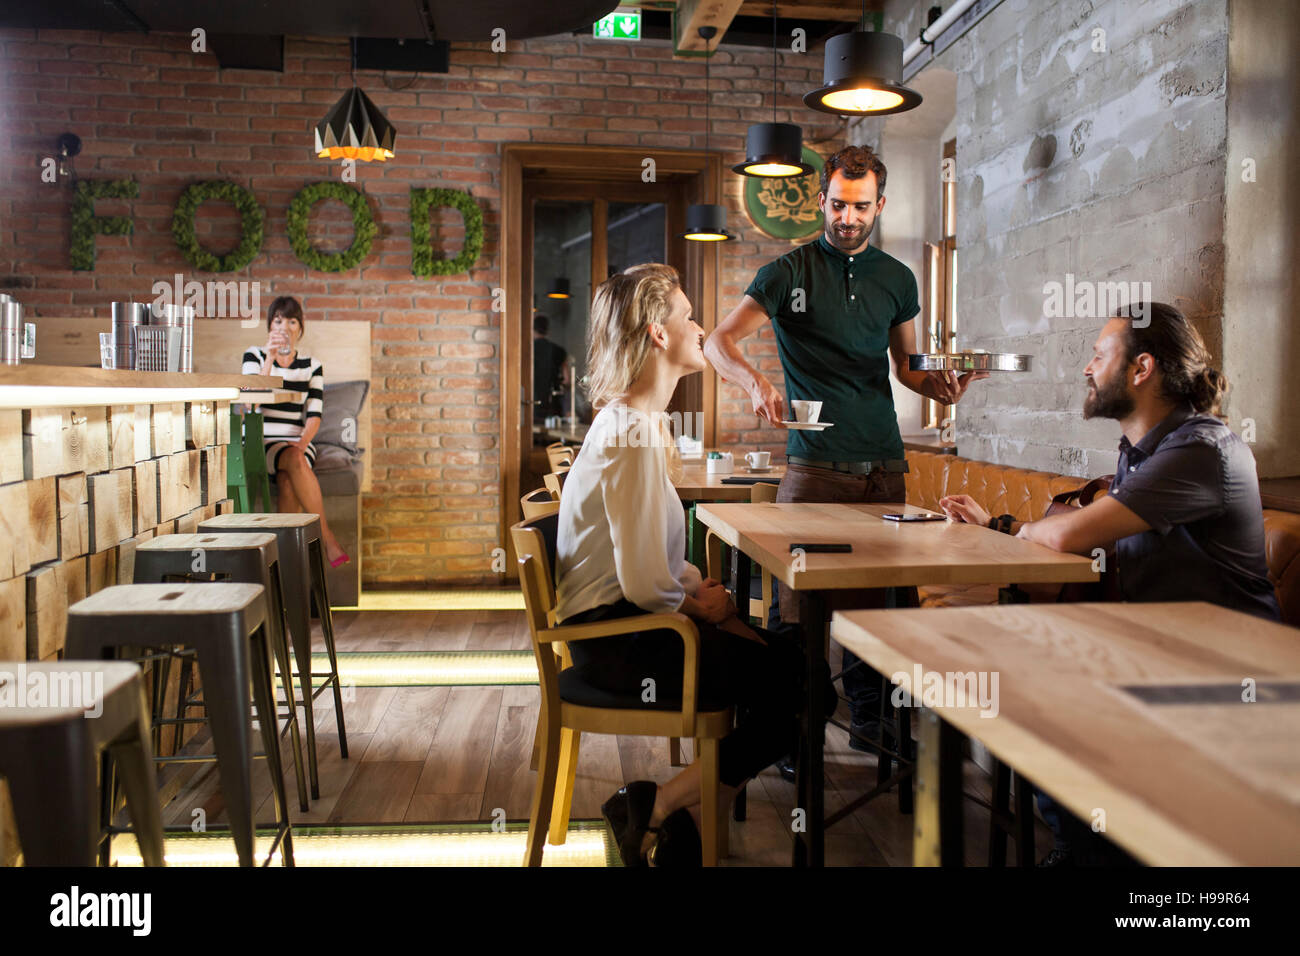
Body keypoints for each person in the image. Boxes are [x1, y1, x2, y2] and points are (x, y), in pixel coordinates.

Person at [940, 301, 1281, 865]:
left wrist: (1015, 530)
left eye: (1099, 355)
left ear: (1141, 369)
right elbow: (1084, 535)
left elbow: (1070, 536)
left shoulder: (1200, 449)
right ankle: (1084, 848)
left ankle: (1085, 854)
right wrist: (999, 526)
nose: (1086, 369)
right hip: (1167, 651)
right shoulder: (1145, 452)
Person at [704, 144, 986, 753]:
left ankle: (871, 723)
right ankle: (790, 731)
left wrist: (944, 385)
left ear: (879, 205)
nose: (847, 218)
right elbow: (717, 342)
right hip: (813, 470)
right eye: (837, 205)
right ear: (821, 200)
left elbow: (909, 370)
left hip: (884, 466)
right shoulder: (786, 273)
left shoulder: (897, 278)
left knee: (883, 607)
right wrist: (753, 380)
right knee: (794, 608)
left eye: (861, 207)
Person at [554, 263, 828, 867]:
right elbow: (643, 578)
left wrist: (693, 590)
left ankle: (688, 817)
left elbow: (652, 558)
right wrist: (700, 602)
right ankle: (660, 805)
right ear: (657, 333)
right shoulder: (631, 431)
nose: (701, 328)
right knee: (801, 681)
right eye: (687, 316)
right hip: (620, 641)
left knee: (792, 667)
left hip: (631, 626)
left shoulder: (637, 423)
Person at [241, 295, 349, 567]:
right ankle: (326, 538)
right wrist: (270, 358)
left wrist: (301, 446)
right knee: (292, 463)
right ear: (270, 327)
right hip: (261, 438)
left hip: (299, 441)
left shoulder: (312, 365)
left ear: (300, 328)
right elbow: (251, 401)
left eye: (291, 320)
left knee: (290, 476)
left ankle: (286, 565)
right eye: (278, 320)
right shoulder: (254, 355)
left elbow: (314, 414)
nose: (285, 326)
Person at [532, 313, 571, 420]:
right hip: (553, 406)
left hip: (531, 405)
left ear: (533, 330)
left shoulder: (526, 351)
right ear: (547, 330)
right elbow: (567, 380)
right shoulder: (559, 351)